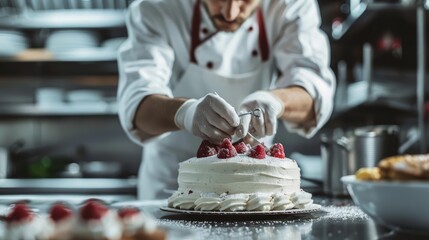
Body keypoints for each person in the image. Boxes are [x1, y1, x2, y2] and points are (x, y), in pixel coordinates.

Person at [117, 0, 335, 200]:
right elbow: (136, 104)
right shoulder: (157, 7)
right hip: (171, 188)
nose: (230, 13)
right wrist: (185, 112)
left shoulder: (290, 5)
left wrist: (276, 101)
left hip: (258, 191)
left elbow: (314, 90)